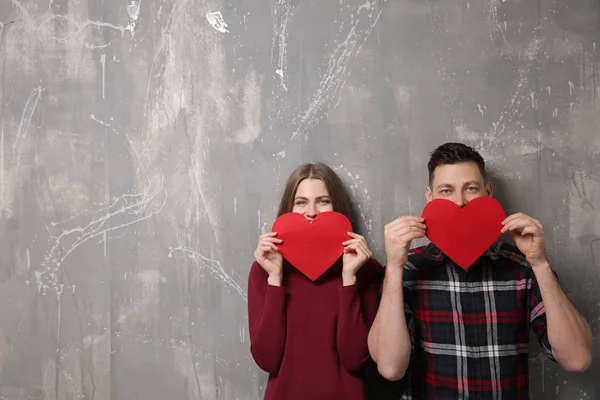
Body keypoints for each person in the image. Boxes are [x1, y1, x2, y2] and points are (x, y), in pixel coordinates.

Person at [368, 142, 593, 399]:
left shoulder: (522, 267)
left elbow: (577, 359)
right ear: (429, 197)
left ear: (488, 192)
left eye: (471, 189)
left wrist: (540, 264)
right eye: (446, 190)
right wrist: (394, 267)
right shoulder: (408, 268)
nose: (460, 201)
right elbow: (390, 368)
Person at [248, 162, 382, 400]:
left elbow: (355, 359)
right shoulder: (264, 271)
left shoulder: (366, 270)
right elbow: (267, 359)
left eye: (323, 201)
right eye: (301, 202)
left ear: (337, 206)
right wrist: (275, 279)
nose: (312, 212)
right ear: (289, 208)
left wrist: (349, 279)